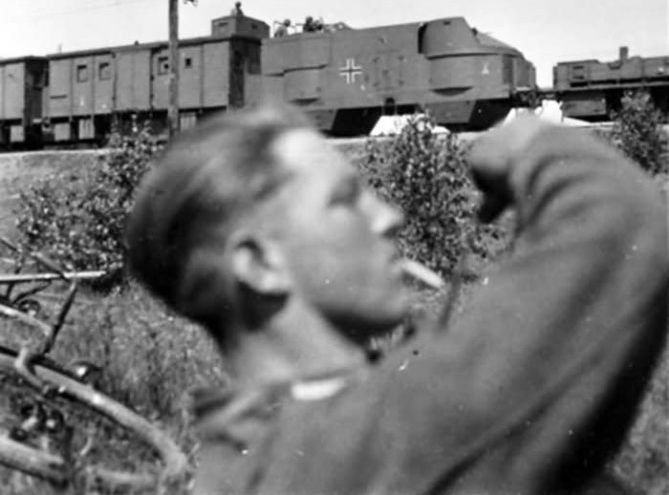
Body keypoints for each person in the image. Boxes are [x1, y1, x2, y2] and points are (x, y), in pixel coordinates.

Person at [125, 106, 668, 495]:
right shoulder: (360, 440)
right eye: (345, 201)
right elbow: (624, 223)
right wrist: (534, 145)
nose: (390, 217)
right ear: (260, 265)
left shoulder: (254, 451)